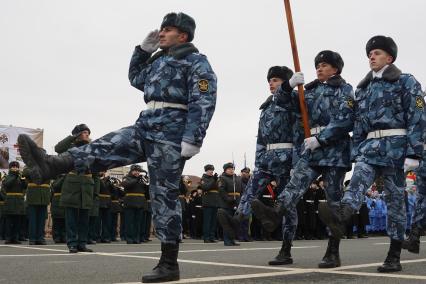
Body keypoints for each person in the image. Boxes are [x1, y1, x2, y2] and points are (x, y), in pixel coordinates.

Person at [17, 11, 217, 283]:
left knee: (163, 195)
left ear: (182, 35)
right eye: (161, 29)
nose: (161, 33)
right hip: (146, 123)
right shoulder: (160, 60)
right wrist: (142, 51)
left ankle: (169, 263)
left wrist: (194, 138)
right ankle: (51, 164)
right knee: (103, 147)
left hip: (171, 132)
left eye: (167, 30)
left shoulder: (196, 62)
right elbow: (136, 78)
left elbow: (204, 101)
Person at [319, 36, 424, 273]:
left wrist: (414, 153)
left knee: (396, 202)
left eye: (376, 53)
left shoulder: (406, 81)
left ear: (389, 57)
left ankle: (394, 255)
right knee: (356, 183)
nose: (372, 57)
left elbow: (418, 117)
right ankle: (341, 216)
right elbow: (358, 123)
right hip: (369, 149)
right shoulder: (362, 88)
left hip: (396, 149)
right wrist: (357, 149)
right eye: (369, 54)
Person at [251, 50, 354, 269]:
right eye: (317, 65)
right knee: (295, 183)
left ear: (335, 69)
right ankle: (274, 214)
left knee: (333, 201)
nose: (319, 68)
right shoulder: (307, 92)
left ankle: (333, 252)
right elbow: (282, 102)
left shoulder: (345, 89)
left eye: (325, 65)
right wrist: (288, 86)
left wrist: (322, 138)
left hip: (334, 150)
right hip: (311, 150)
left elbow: (345, 120)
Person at [56, 124, 95, 253]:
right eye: (84, 133)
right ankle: (72, 243)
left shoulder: (91, 147)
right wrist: (72, 137)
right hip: (73, 183)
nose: (87, 135)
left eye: (88, 133)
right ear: (77, 135)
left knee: (84, 217)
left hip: (87, 184)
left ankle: (82, 243)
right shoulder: (70, 147)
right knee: (71, 217)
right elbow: (58, 148)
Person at [23, 166, 50, 245]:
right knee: (33, 219)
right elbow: (25, 172)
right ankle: (32, 238)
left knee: (41, 219)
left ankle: (40, 238)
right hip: (33, 195)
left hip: (44, 195)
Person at [1, 161, 27, 244]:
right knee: (9, 220)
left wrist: (23, 180)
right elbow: (7, 185)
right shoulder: (7, 176)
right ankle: (8, 237)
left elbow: (25, 187)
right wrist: (15, 177)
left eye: (16, 167)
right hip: (10, 200)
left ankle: (15, 237)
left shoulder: (19, 177)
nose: (15, 168)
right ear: (10, 168)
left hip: (19, 200)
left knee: (17, 221)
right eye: (13, 167)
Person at [217, 162, 243, 246]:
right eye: (229, 169)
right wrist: (228, 199)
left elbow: (241, 190)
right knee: (226, 222)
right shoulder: (222, 178)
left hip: (237, 201)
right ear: (225, 170)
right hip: (227, 203)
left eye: (232, 169)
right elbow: (221, 190)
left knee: (234, 222)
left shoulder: (238, 178)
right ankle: (227, 240)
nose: (231, 170)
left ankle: (232, 239)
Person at [122, 165, 148, 244]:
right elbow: (127, 185)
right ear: (131, 171)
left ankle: (136, 238)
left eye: (138, 171)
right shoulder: (127, 178)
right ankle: (129, 238)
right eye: (135, 170)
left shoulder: (141, 180)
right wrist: (137, 179)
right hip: (130, 202)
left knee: (138, 222)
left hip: (140, 202)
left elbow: (146, 191)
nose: (137, 172)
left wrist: (147, 182)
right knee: (129, 222)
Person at [200, 164, 220, 243]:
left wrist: (217, 180)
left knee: (213, 221)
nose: (211, 171)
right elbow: (206, 187)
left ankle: (212, 237)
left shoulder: (214, 178)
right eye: (209, 170)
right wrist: (213, 180)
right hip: (208, 202)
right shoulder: (203, 178)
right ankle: (206, 237)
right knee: (207, 221)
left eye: (212, 170)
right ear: (206, 171)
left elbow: (219, 188)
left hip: (215, 201)